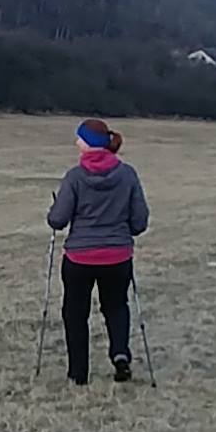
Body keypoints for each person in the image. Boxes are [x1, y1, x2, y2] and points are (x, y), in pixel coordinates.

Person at [46, 118, 149, 385]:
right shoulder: (128, 174)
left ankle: (78, 373)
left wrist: (54, 212)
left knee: (75, 312)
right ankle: (120, 354)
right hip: (117, 256)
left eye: (79, 138)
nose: (75, 142)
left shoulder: (75, 177)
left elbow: (58, 220)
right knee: (116, 306)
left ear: (88, 144)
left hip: (80, 257)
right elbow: (139, 222)